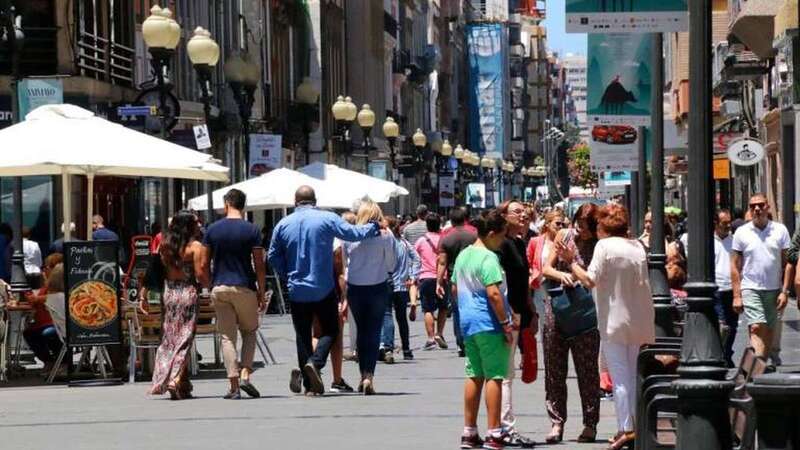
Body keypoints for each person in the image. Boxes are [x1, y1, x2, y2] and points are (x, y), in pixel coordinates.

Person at [560, 203, 655, 450]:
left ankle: (627, 429)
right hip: (639, 318)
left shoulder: (604, 246)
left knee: (619, 377)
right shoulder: (637, 246)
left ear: (602, 227)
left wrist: (571, 262)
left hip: (614, 320)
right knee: (632, 374)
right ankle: (634, 424)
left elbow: (590, 280)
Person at [268, 187, 380, 396]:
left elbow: (273, 256)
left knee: (303, 335)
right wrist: (374, 228)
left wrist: (287, 275)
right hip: (322, 287)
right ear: (315, 200)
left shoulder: (282, 224)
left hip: (296, 289)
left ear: (295, 201)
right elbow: (352, 233)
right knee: (331, 330)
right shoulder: (327, 218)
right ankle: (315, 362)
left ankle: (310, 387)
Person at [454, 210, 514, 450]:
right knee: (495, 376)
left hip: (467, 322)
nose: (503, 241)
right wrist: (506, 323)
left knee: (474, 373)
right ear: (491, 234)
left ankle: (469, 431)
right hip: (488, 323)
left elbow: (455, 289)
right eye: (502, 236)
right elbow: (494, 293)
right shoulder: (488, 258)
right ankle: (494, 432)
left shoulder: (463, 256)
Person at [541, 204, 601, 444]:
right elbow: (546, 268)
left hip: (586, 314)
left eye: (586, 228)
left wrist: (573, 267)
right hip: (558, 309)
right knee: (554, 370)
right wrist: (561, 274)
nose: (580, 231)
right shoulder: (565, 236)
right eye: (578, 225)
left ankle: (590, 423)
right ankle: (556, 422)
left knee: (587, 371)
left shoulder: (601, 244)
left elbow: (593, 278)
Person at [204, 189, 268, 399]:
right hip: (244, 286)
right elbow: (259, 264)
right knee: (249, 331)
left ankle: (233, 387)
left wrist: (209, 283)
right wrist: (260, 289)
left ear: (226, 205)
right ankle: (246, 373)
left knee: (226, 337)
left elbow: (204, 262)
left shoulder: (212, 229)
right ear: (243, 206)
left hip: (220, 287)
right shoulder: (252, 230)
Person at [149, 211, 210, 400]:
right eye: (196, 223)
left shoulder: (165, 246)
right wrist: (210, 285)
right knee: (184, 338)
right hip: (187, 291)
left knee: (169, 338)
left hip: (170, 292)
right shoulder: (195, 247)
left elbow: (157, 270)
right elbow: (200, 274)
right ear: (189, 226)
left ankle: (177, 380)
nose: (199, 225)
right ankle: (175, 379)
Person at [341, 200, 397, 394]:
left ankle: (362, 374)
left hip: (355, 287)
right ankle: (368, 376)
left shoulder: (349, 235)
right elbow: (391, 264)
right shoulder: (386, 235)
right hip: (378, 286)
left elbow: (344, 262)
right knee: (373, 332)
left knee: (361, 333)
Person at [493, 200, 537, 448]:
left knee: (507, 372)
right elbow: (499, 284)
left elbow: (523, 281)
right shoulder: (502, 246)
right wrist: (505, 316)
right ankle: (504, 428)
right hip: (507, 316)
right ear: (503, 216)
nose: (523, 215)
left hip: (519, 314)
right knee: (505, 374)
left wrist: (531, 310)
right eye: (517, 212)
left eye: (524, 212)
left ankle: (499, 427)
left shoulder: (519, 242)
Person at [731, 193, 791, 360]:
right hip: (750, 288)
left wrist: (784, 291)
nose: (756, 209)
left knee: (769, 328)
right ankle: (758, 365)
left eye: (760, 205)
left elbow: (788, 264)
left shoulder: (780, 230)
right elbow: (735, 266)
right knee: (757, 326)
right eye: (752, 206)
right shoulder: (741, 232)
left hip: (774, 289)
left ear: (768, 206)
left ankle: (758, 363)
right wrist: (737, 295)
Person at [437, 207, 477, 356]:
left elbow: (442, 262)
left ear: (451, 221)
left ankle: (461, 343)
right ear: (465, 219)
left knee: (457, 310)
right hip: (474, 276)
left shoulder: (447, 237)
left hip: (455, 278)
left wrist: (439, 282)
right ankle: (472, 339)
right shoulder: (474, 236)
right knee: (473, 307)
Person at [381, 216, 419, 362]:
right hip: (402, 286)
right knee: (402, 318)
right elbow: (417, 258)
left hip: (387, 282)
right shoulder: (404, 243)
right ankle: (407, 349)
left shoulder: (386, 242)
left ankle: (388, 348)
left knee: (387, 314)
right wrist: (412, 275)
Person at [23, 253, 64, 375]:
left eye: (46, 267)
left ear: (55, 268)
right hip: (45, 322)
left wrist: (37, 299)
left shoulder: (60, 283)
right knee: (29, 333)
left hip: (57, 323)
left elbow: (56, 297)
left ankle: (63, 362)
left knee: (47, 333)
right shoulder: (48, 283)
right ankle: (49, 361)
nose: (43, 270)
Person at [415, 212, 448, 350]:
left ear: (427, 225)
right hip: (443, 277)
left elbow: (415, 258)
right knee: (443, 307)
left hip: (426, 277)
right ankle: (439, 333)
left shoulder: (421, 240)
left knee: (428, 309)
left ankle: (430, 337)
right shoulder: (444, 239)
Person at [712, 209, 738, 368]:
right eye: (724, 223)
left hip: (732, 289)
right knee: (722, 325)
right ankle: (721, 356)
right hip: (716, 289)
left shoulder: (734, 241)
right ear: (716, 223)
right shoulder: (708, 241)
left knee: (733, 326)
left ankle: (727, 354)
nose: (728, 226)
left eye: (729, 223)